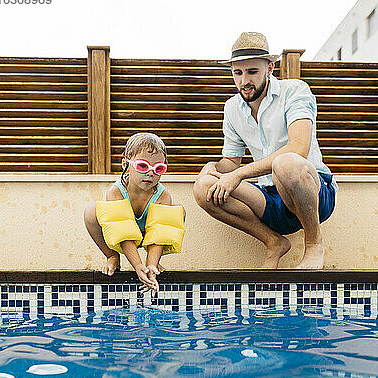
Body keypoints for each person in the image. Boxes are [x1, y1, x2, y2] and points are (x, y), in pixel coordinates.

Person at [193, 32, 337, 269]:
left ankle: (313, 244)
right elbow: (231, 161)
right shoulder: (232, 108)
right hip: (269, 199)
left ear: (270, 68)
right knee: (203, 188)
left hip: (314, 193)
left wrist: (238, 175)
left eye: (252, 72)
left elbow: (298, 149)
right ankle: (273, 242)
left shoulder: (295, 91)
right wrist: (213, 168)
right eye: (237, 73)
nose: (244, 81)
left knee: (286, 163)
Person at [84, 132, 185, 292]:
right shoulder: (116, 191)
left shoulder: (162, 195)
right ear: (126, 165)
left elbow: (159, 235)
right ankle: (112, 256)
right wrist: (137, 266)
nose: (150, 173)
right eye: (142, 166)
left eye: (158, 168)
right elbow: (122, 232)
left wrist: (150, 266)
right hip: (120, 235)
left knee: (177, 211)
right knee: (91, 212)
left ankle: (152, 262)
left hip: (148, 234)